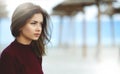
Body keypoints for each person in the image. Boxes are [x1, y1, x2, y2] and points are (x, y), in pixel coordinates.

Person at [0, 2, 51, 74]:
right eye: (33, 23)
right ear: (20, 25)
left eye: (41, 24)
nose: (39, 28)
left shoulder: (36, 50)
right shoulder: (9, 55)